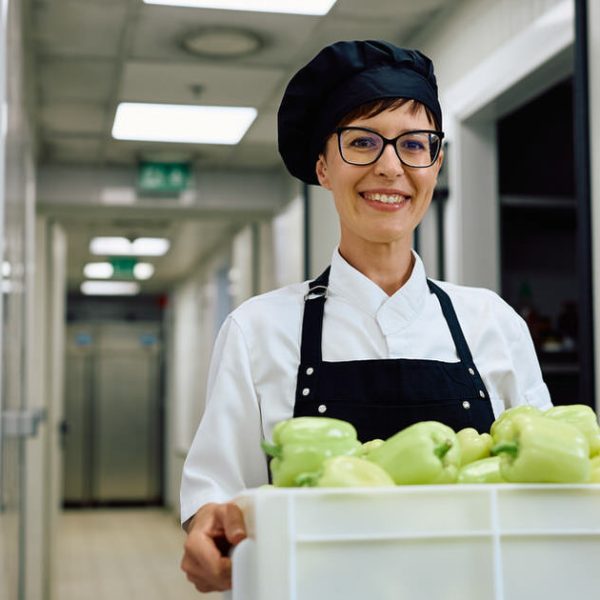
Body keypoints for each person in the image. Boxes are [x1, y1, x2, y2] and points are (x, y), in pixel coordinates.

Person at [180, 40, 552, 593]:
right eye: (362, 142)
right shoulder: (257, 330)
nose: (389, 167)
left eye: (413, 145)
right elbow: (217, 492)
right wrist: (207, 532)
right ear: (323, 166)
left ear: (436, 162)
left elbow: (549, 482)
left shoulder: (491, 321)